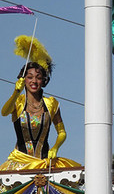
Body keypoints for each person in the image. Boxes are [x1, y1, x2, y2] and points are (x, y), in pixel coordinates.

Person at [0, 36, 79, 171]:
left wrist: (55, 147)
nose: (34, 81)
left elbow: (62, 132)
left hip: (44, 162)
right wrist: (16, 92)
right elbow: (4, 112)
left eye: (38, 77)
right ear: (23, 80)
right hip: (20, 163)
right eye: (30, 77)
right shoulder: (18, 102)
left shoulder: (51, 104)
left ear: (43, 81)